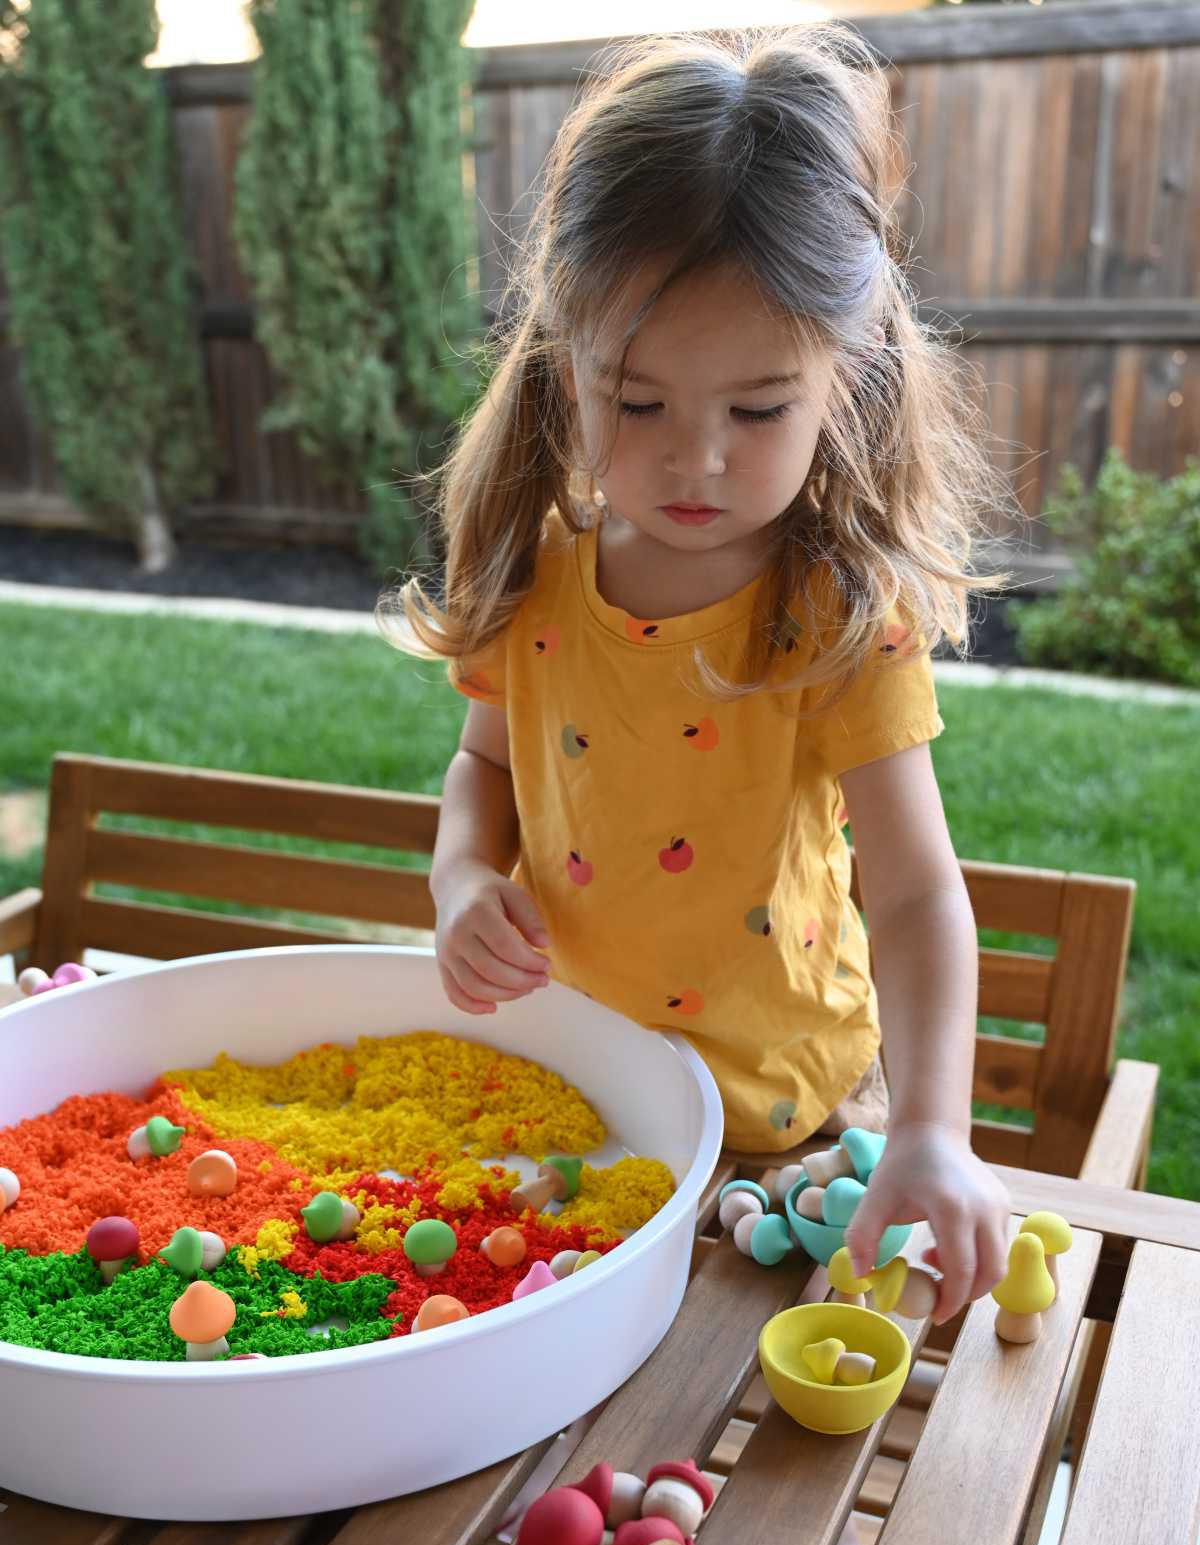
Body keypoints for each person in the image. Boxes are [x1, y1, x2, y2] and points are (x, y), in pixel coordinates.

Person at [380, 21, 1018, 1327]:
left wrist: (937, 1133)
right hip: (588, 1109)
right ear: (565, 365)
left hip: (801, 1129)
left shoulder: (830, 615)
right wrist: (457, 878)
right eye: (640, 400)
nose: (697, 462)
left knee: (775, 1462)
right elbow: (481, 772)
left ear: (846, 377)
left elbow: (912, 896)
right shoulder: (533, 577)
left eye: (759, 408)